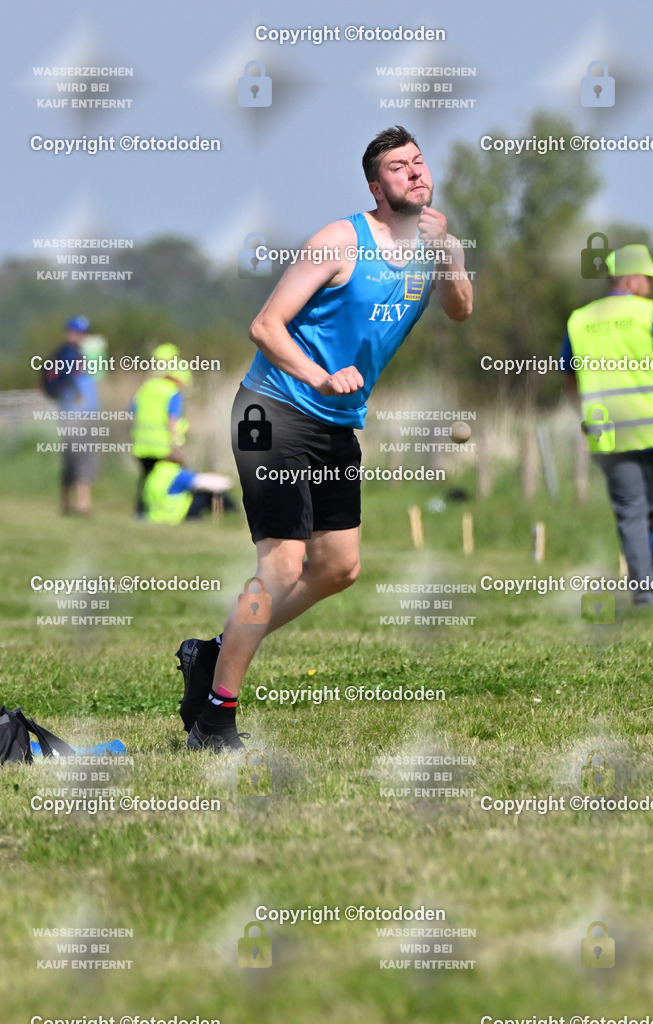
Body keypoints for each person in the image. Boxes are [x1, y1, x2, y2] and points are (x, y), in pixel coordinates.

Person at [174, 125, 473, 750]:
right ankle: (215, 719)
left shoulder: (436, 241)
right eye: (399, 167)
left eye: (419, 161)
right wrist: (319, 374)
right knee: (282, 565)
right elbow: (266, 325)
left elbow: (461, 308)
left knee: (339, 567)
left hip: (336, 421)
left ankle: (214, 655)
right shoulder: (340, 241)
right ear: (376, 185)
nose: (415, 172)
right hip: (275, 410)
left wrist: (451, 257)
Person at [562, 244, 653, 606]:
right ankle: (650, 591)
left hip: (610, 435)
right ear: (631, 277)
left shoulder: (579, 319)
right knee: (652, 508)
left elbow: (570, 379)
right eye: (646, 277)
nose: (649, 283)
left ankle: (648, 591)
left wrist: (582, 415)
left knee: (631, 512)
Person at [42, 316, 99, 515]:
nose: (82, 336)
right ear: (70, 332)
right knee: (83, 456)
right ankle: (83, 504)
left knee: (73, 456)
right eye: (78, 332)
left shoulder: (70, 353)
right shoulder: (69, 354)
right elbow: (68, 380)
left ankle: (67, 501)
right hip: (77, 413)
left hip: (74, 413)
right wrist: (77, 397)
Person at [130, 344, 191, 516]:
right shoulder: (172, 391)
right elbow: (173, 419)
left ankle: (140, 512)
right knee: (161, 480)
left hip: (141, 444)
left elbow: (132, 412)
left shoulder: (145, 388)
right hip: (162, 445)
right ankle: (156, 511)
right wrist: (176, 444)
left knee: (145, 478)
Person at [142, 459, 234, 523]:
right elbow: (206, 482)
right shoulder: (175, 473)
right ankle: (234, 515)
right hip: (176, 517)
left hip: (153, 517)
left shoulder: (155, 473)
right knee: (206, 494)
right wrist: (229, 482)